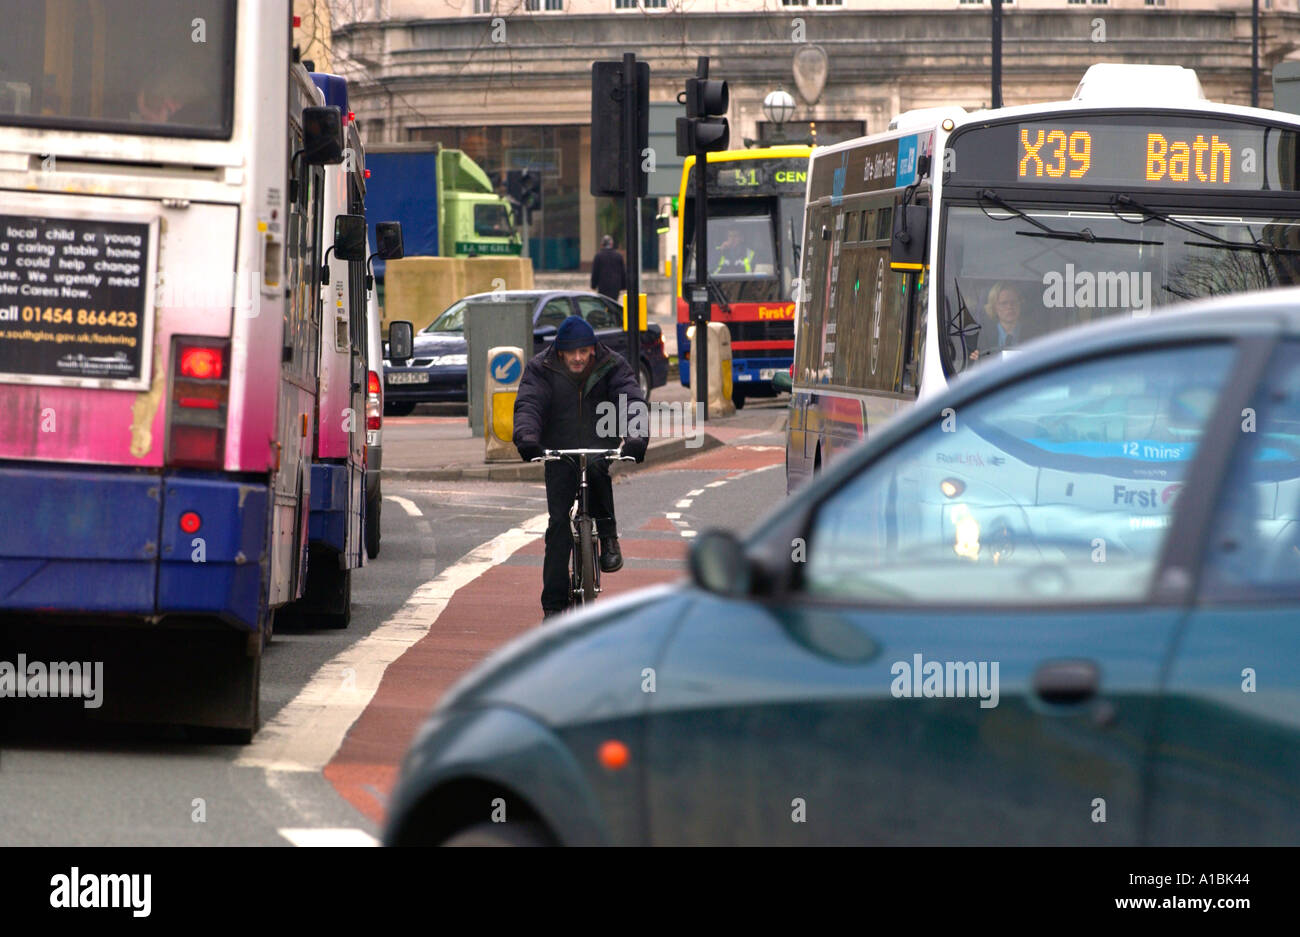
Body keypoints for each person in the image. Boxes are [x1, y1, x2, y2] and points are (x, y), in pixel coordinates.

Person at [513, 315, 649, 618]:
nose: (577, 358)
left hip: (599, 442)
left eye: (583, 351)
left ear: (592, 349)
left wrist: (636, 435)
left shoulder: (611, 365)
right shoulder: (541, 368)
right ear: (560, 351)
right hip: (558, 448)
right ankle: (553, 607)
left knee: (599, 469)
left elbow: (630, 398)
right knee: (559, 525)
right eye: (571, 352)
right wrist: (528, 437)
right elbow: (529, 404)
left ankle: (608, 537)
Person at [969, 282, 1034, 362]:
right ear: (994, 307)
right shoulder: (983, 338)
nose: (1009, 307)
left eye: (1013, 302)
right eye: (1004, 303)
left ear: (1020, 304)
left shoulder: (1034, 335)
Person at [590, 235, 626, 301]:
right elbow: (622, 272)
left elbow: (595, 272)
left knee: (604, 303)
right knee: (614, 304)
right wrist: (624, 286)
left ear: (602, 244)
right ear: (611, 244)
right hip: (615, 286)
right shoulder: (618, 256)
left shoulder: (598, 256)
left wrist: (593, 285)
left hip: (603, 286)